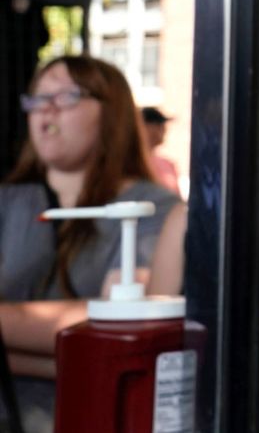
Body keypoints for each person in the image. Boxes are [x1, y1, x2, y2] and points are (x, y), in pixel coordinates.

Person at [0, 56, 180, 433]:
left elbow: (112, 328)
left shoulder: (149, 207)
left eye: (66, 96)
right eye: (37, 98)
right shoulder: (10, 200)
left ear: (110, 113)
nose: (45, 109)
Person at [140, 106, 181, 193]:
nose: (164, 129)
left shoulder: (168, 164)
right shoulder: (134, 164)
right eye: (158, 124)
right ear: (144, 127)